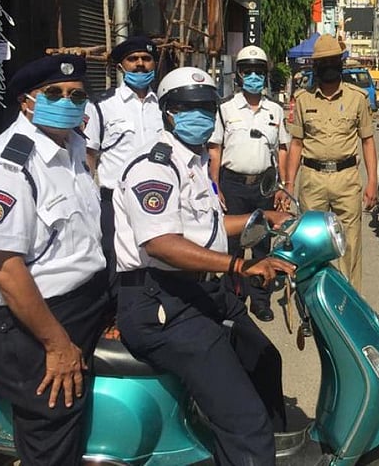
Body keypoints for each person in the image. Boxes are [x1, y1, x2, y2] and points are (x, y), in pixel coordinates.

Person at [113, 66, 295, 465]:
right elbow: (162, 244)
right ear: (168, 113)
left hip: (198, 291)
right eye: (186, 107)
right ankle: (250, 445)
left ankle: (259, 448)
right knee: (247, 422)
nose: (198, 114)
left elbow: (208, 225)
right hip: (161, 303)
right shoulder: (154, 167)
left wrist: (264, 218)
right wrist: (239, 266)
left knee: (264, 359)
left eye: (206, 106)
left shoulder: (193, 163)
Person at [0, 54, 108, 465]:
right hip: (25, 322)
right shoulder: (8, 166)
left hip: (78, 302)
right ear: (28, 102)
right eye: (54, 94)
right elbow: (4, 269)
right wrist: (57, 344)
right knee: (53, 427)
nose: (68, 101)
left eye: (77, 94)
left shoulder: (73, 146)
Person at [285, 34, 377, 291]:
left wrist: (372, 182)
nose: (327, 66)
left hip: (346, 180)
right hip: (312, 180)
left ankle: (350, 303)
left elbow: (368, 141)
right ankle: (312, 299)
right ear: (315, 66)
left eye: (332, 60)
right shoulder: (304, 99)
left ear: (341, 62)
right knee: (311, 244)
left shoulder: (357, 98)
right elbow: (296, 144)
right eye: (322, 62)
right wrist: (289, 183)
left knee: (349, 246)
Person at [208, 45, 290, 322]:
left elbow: (282, 150)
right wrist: (214, 187)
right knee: (231, 244)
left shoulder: (275, 110)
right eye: (248, 71)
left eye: (258, 71)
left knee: (261, 243)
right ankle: (233, 297)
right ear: (239, 74)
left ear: (264, 74)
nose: (253, 76)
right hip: (232, 184)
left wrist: (283, 185)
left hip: (263, 185)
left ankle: (260, 299)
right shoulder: (225, 108)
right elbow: (215, 149)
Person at [84, 35, 163, 290]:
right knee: (114, 258)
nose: (140, 64)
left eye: (146, 59)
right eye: (133, 59)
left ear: (154, 64)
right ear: (121, 66)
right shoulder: (100, 105)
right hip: (115, 200)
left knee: (156, 257)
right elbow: (89, 156)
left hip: (158, 197)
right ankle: (115, 317)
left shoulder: (165, 105)